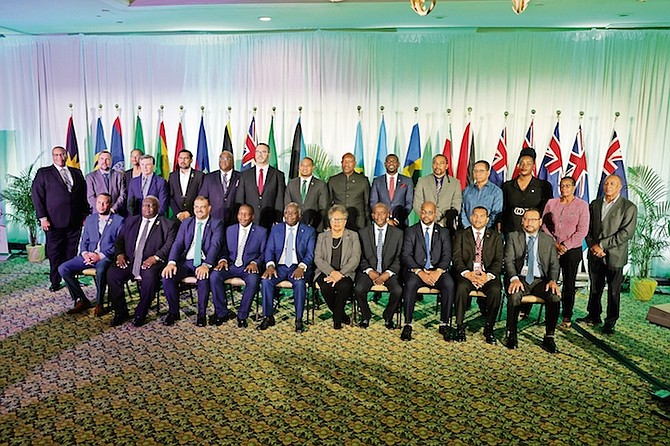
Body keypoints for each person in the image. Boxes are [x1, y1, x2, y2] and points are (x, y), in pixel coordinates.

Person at [578, 174, 637, 334]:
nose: (608, 186)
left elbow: (626, 233)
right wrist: (592, 246)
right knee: (595, 288)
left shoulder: (629, 207)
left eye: (612, 184)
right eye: (606, 183)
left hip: (615, 256)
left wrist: (602, 245)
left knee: (613, 291)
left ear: (620, 187)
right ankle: (593, 315)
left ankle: (610, 321)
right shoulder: (595, 204)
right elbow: (587, 228)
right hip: (594, 254)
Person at [107, 195, 177, 327]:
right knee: (112, 274)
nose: (147, 208)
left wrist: (155, 257)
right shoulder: (131, 221)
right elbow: (119, 241)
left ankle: (140, 313)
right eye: (145, 205)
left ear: (158, 207)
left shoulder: (167, 224)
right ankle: (121, 312)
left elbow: (169, 244)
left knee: (150, 278)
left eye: (151, 205)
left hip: (152, 263)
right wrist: (120, 254)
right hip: (131, 261)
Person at [31, 145, 88, 292]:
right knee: (55, 252)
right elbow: (37, 196)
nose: (60, 158)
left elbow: (82, 195)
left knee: (71, 251)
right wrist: (42, 218)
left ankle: (71, 280)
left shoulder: (76, 172)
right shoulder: (44, 173)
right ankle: (55, 281)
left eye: (62, 154)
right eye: (56, 155)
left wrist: (84, 214)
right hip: (53, 221)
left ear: (67, 155)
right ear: (53, 157)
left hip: (74, 220)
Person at [504, 208, 561, 353]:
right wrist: (514, 278)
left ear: (540, 222)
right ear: (522, 221)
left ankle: (549, 337)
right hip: (520, 278)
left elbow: (554, 264)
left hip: (540, 280)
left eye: (533, 219)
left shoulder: (548, 240)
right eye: (526, 219)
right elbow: (509, 261)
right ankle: (512, 334)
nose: (529, 223)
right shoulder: (513, 236)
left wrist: (553, 280)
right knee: (515, 294)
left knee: (554, 296)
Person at [57, 193, 124, 316]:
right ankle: (81, 299)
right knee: (63, 268)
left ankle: (99, 303)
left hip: (105, 257)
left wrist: (100, 256)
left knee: (101, 270)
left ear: (110, 204)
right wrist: (85, 254)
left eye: (104, 203)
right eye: (99, 203)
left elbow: (119, 245)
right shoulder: (90, 219)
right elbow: (84, 241)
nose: (101, 206)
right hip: (88, 256)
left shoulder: (119, 220)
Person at [161, 196, 224, 326]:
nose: (199, 210)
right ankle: (173, 312)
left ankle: (201, 314)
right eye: (196, 207)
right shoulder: (186, 222)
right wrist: (171, 262)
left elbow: (215, 245)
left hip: (203, 261)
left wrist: (206, 265)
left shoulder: (216, 223)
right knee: (167, 277)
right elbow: (178, 243)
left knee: (203, 278)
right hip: (186, 260)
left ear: (209, 208)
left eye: (202, 207)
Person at [400, 201, 455, 342]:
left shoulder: (443, 232)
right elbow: (406, 255)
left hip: (438, 271)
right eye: (424, 211)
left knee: (449, 284)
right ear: (420, 212)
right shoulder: (411, 231)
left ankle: (444, 323)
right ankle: (407, 324)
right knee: (410, 284)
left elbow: (447, 255)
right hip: (417, 271)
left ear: (435, 214)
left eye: (430, 212)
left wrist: (438, 271)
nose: (426, 215)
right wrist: (420, 272)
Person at [541, 176, 589, 329]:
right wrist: (555, 244)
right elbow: (543, 225)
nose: (564, 188)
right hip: (552, 247)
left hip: (572, 250)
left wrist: (565, 246)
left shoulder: (582, 205)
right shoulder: (551, 203)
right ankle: (549, 313)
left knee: (569, 284)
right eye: (562, 186)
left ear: (574, 188)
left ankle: (567, 315)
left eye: (568, 186)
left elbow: (582, 230)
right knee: (549, 279)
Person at [260, 202, 316, 332]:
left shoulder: (309, 231)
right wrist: (270, 265)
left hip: (297, 266)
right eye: (287, 213)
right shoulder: (276, 229)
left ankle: (298, 319)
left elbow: (310, 253)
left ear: (299, 215)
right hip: (279, 267)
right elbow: (269, 250)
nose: (289, 215)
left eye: (293, 212)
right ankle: (268, 316)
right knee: (266, 280)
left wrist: (301, 267)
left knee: (299, 282)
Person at [210, 204, 267, 328]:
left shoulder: (261, 232)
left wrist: (255, 262)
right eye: (240, 214)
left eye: (246, 214)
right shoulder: (230, 229)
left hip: (249, 267)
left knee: (253, 280)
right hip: (230, 265)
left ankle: (242, 316)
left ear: (252, 216)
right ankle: (221, 313)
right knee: (214, 276)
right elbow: (223, 249)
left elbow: (264, 253)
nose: (243, 217)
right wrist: (223, 260)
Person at [452, 206, 503, 344]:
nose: (478, 219)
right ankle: (459, 326)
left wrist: (487, 276)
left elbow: (499, 260)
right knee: (461, 288)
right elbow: (456, 258)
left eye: (481, 216)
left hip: (487, 275)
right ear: (470, 217)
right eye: (475, 215)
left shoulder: (496, 237)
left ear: (487, 219)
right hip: (467, 274)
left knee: (496, 289)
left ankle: (489, 327)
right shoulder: (461, 234)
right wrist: (467, 274)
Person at [353, 202, 403, 329]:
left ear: (388, 215)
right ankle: (366, 315)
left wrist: (387, 274)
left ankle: (388, 316)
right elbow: (360, 256)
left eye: (382, 213)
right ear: (372, 215)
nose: (379, 216)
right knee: (358, 289)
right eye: (376, 213)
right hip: (368, 271)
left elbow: (399, 258)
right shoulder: (363, 233)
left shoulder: (398, 234)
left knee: (398, 290)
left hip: (389, 271)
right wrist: (370, 271)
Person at [314, 205, 361, 329]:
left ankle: (337, 319)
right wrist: (331, 272)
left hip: (346, 272)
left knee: (344, 286)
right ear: (329, 221)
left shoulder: (353, 236)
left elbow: (355, 258)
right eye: (334, 219)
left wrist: (340, 274)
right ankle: (340, 314)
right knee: (326, 287)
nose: (337, 223)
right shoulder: (322, 237)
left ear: (345, 221)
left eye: (340, 219)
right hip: (324, 271)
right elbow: (318, 258)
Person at [500, 148, 553, 235]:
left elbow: (547, 210)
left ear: (533, 166)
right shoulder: (507, 186)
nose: (524, 166)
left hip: (535, 232)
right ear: (518, 165)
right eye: (522, 163)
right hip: (511, 231)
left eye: (528, 164)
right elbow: (503, 209)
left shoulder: (543, 186)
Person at [235, 143, 285, 229]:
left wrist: (278, 218)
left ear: (269, 154)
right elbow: (240, 197)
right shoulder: (245, 175)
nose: (260, 155)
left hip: (269, 221)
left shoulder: (278, 175)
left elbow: (279, 198)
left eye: (263, 152)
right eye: (258, 152)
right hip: (248, 220)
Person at [413, 154, 461, 232]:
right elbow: (417, 204)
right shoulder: (422, 181)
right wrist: (429, 218)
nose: (437, 166)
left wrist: (440, 219)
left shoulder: (455, 183)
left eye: (441, 163)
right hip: (426, 224)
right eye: (435, 163)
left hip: (445, 225)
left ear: (446, 166)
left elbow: (456, 205)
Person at [284, 157, 330, 231]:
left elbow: (323, 207)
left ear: (313, 168)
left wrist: (312, 224)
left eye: (308, 166)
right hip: (294, 226)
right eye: (302, 165)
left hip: (314, 226)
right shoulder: (292, 184)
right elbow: (287, 204)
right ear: (299, 167)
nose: (305, 168)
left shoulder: (321, 185)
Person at [370, 154, 414, 230]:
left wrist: (397, 219)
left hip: (401, 223)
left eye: (394, 161)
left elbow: (409, 203)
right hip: (381, 222)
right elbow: (373, 202)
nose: (391, 163)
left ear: (398, 164)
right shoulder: (377, 181)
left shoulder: (407, 181)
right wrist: (386, 219)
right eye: (389, 161)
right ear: (385, 164)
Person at [328, 153, 370, 231]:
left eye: (350, 161)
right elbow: (328, 203)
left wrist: (368, 223)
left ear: (354, 164)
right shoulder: (333, 180)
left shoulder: (363, 180)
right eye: (344, 161)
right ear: (341, 163)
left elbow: (367, 203)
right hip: (338, 222)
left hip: (358, 221)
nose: (347, 164)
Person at [199, 150, 240, 227]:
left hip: (235, 220)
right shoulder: (209, 177)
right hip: (214, 219)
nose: (223, 161)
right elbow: (203, 197)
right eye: (221, 159)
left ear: (232, 161)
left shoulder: (240, 177)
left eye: (227, 159)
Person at [460, 160, 502, 229]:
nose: (478, 174)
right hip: (467, 231)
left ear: (488, 173)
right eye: (475, 171)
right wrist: (468, 227)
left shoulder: (496, 191)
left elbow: (495, 213)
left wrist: (483, 228)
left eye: (481, 171)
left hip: (488, 231)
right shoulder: (467, 190)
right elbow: (463, 210)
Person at [168, 149, 205, 222]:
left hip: (194, 215)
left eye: (186, 158)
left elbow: (202, 195)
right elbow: (170, 197)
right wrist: (178, 213)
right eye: (181, 158)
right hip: (177, 217)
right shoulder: (172, 176)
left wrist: (189, 212)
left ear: (191, 160)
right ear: (178, 159)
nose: (183, 160)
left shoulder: (199, 175)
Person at [85, 150, 126, 215]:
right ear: (98, 161)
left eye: (107, 159)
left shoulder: (119, 175)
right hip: (98, 213)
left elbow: (122, 195)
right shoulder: (90, 177)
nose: (104, 161)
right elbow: (90, 197)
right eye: (102, 159)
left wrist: (113, 208)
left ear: (111, 161)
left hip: (116, 213)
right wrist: (102, 208)